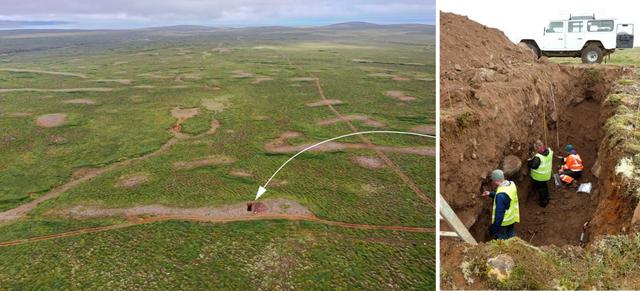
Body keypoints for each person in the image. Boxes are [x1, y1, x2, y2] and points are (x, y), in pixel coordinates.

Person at [481, 169, 520, 240]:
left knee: (502, 241)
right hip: (512, 219)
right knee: (511, 234)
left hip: (504, 223)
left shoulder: (500, 196)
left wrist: (493, 229)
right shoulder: (511, 184)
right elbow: (505, 197)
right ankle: (514, 242)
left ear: (495, 181)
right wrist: (490, 194)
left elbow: (499, 216)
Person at [527, 140, 553, 207]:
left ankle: (543, 202)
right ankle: (547, 197)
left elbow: (534, 166)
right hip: (547, 175)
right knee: (544, 186)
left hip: (539, 177)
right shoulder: (550, 151)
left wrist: (529, 162)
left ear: (537, 148)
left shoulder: (538, 157)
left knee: (541, 189)